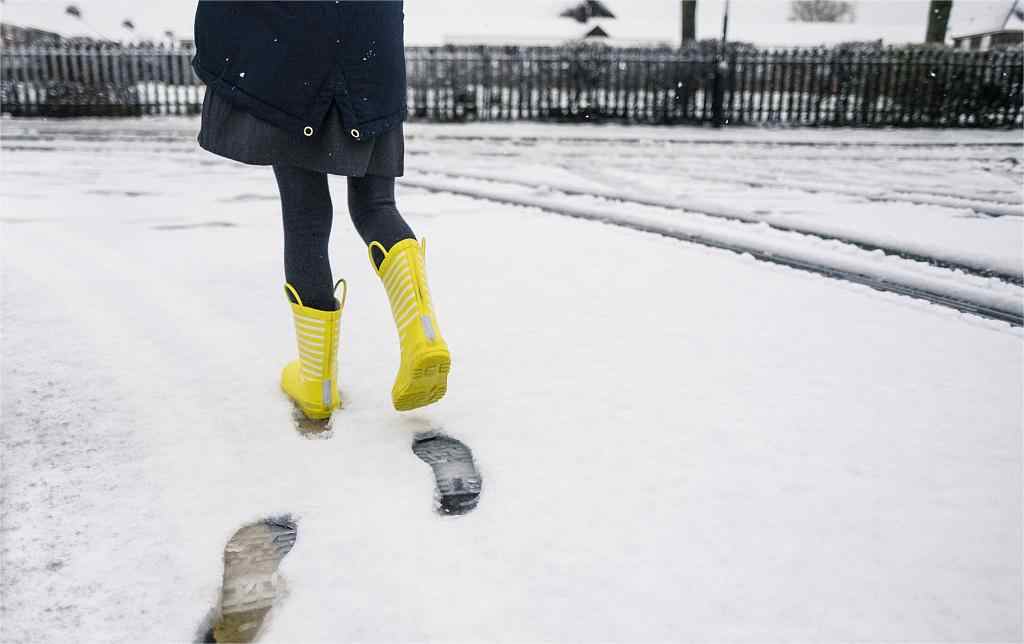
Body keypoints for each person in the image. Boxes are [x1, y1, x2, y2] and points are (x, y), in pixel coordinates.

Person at [191, 1, 450, 419]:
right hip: (371, 54)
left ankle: (317, 384)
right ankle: (423, 332)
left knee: (305, 217)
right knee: (376, 205)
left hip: (295, 61)